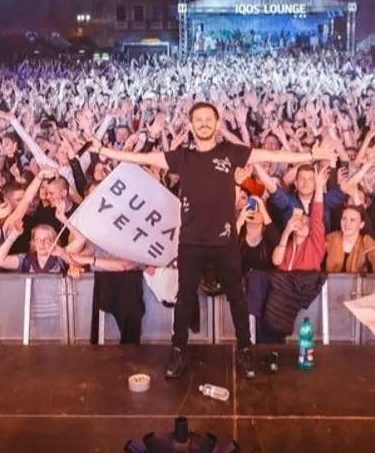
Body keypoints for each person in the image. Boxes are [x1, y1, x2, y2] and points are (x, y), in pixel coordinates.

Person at [90, 101, 333, 380]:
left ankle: (245, 351)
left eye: (209, 119)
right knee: (184, 299)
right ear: (191, 125)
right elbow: (141, 158)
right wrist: (103, 150)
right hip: (191, 244)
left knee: (237, 299)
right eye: (199, 119)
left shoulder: (231, 152)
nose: (204, 123)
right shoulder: (182, 157)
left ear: (217, 124)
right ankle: (178, 351)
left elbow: (270, 153)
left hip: (225, 243)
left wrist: (310, 155)